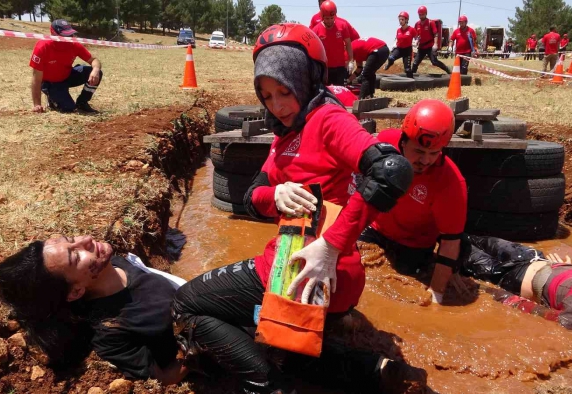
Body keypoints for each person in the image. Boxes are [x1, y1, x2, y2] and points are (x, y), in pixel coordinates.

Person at [172, 23, 424, 394]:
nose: (277, 104)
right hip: (321, 273)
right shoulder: (287, 131)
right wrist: (275, 195)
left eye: (285, 91)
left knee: (184, 306)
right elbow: (250, 199)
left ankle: (266, 385)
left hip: (307, 267)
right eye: (267, 95)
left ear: (307, 79)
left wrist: (331, 245)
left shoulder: (328, 119)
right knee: (263, 333)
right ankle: (366, 369)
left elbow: (392, 170)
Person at [0, 235, 189, 384]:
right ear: (76, 291)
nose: (86, 240)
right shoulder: (111, 330)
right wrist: (199, 349)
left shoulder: (116, 263)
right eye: (75, 256)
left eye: (71, 239)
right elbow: (164, 377)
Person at [358, 100, 468, 304]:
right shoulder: (384, 146)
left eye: (434, 153)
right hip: (375, 231)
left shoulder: (451, 183)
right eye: (419, 151)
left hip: (414, 248)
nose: (425, 161)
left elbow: (450, 244)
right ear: (403, 140)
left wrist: (437, 296)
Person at [458, 235, 572, 349]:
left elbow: (527, 307)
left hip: (509, 275)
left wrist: (483, 289)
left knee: (457, 245)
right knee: (475, 237)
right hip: (534, 257)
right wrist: (568, 266)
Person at [29, 19, 103, 114]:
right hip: (50, 83)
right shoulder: (42, 47)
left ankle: (82, 103)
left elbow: (94, 60)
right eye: (65, 35)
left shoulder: (74, 44)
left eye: (71, 35)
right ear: (53, 34)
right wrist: (37, 105)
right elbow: (36, 79)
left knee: (97, 72)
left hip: (67, 76)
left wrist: (96, 70)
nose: (69, 38)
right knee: (68, 108)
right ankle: (52, 99)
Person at [311, 1, 358, 86]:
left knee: (339, 91)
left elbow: (348, 43)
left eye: (332, 18)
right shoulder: (316, 30)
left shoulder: (342, 26)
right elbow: (313, 48)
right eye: (327, 19)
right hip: (325, 68)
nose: (330, 21)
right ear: (322, 17)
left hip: (340, 67)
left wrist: (351, 60)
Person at [411, 6, 451, 76]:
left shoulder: (430, 22)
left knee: (434, 61)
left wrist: (435, 44)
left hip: (430, 46)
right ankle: (412, 76)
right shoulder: (417, 24)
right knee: (415, 63)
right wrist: (416, 40)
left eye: (422, 14)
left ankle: (447, 69)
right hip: (421, 47)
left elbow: (435, 34)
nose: (421, 16)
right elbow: (415, 35)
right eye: (419, 14)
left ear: (426, 14)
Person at [383, 11, 417, 77]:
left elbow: (416, 39)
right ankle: (388, 65)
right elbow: (396, 39)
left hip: (407, 50)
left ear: (406, 20)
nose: (400, 21)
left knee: (407, 69)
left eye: (402, 19)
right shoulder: (398, 30)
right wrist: (393, 47)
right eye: (399, 19)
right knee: (390, 58)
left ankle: (412, 83)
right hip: (399, 49)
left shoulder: (411, 29)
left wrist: (416, 48)